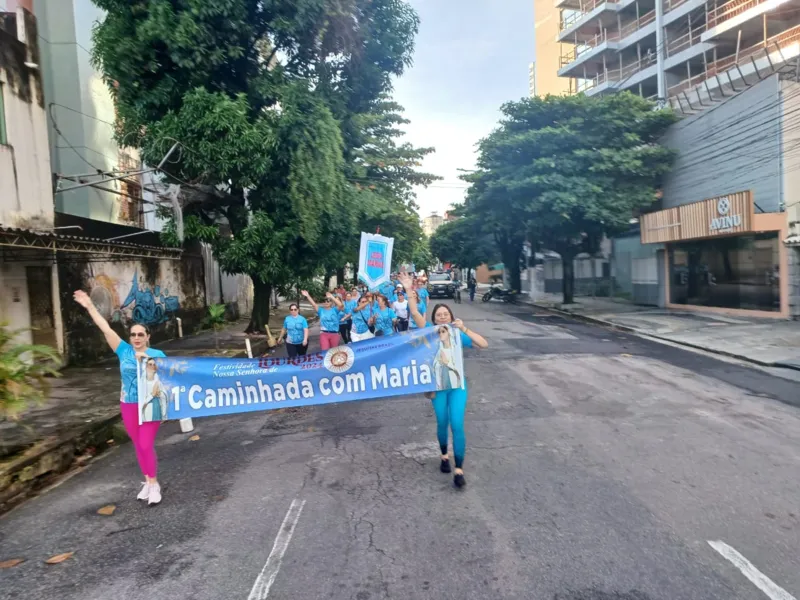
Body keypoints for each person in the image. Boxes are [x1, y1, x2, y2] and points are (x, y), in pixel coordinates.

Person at [73, 290, 167, 505]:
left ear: (148, 337)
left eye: (140, 334)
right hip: (128, 405)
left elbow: (169, 375)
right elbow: (104, 327)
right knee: (138, 445)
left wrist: (149, 359)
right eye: (133, 334)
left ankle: (154, 485)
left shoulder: (158, 355)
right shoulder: (123, 350)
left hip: (150, 404)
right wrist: (89, 305)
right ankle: (148, 481)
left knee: (145, 444)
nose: (136, 338)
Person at [397, 273, 488, 489]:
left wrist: (464, 328)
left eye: (446, 314)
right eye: (439, 315)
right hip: (437, 387)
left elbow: (483, 344)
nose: (443, 317)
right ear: (434, 319)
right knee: (442, 423)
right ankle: (444, 455)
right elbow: (414, 311)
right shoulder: (429, 333)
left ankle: (459, 469)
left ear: (451, 317)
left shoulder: (458, 335)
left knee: (457, 424)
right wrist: (410, 289)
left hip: (457, 387)